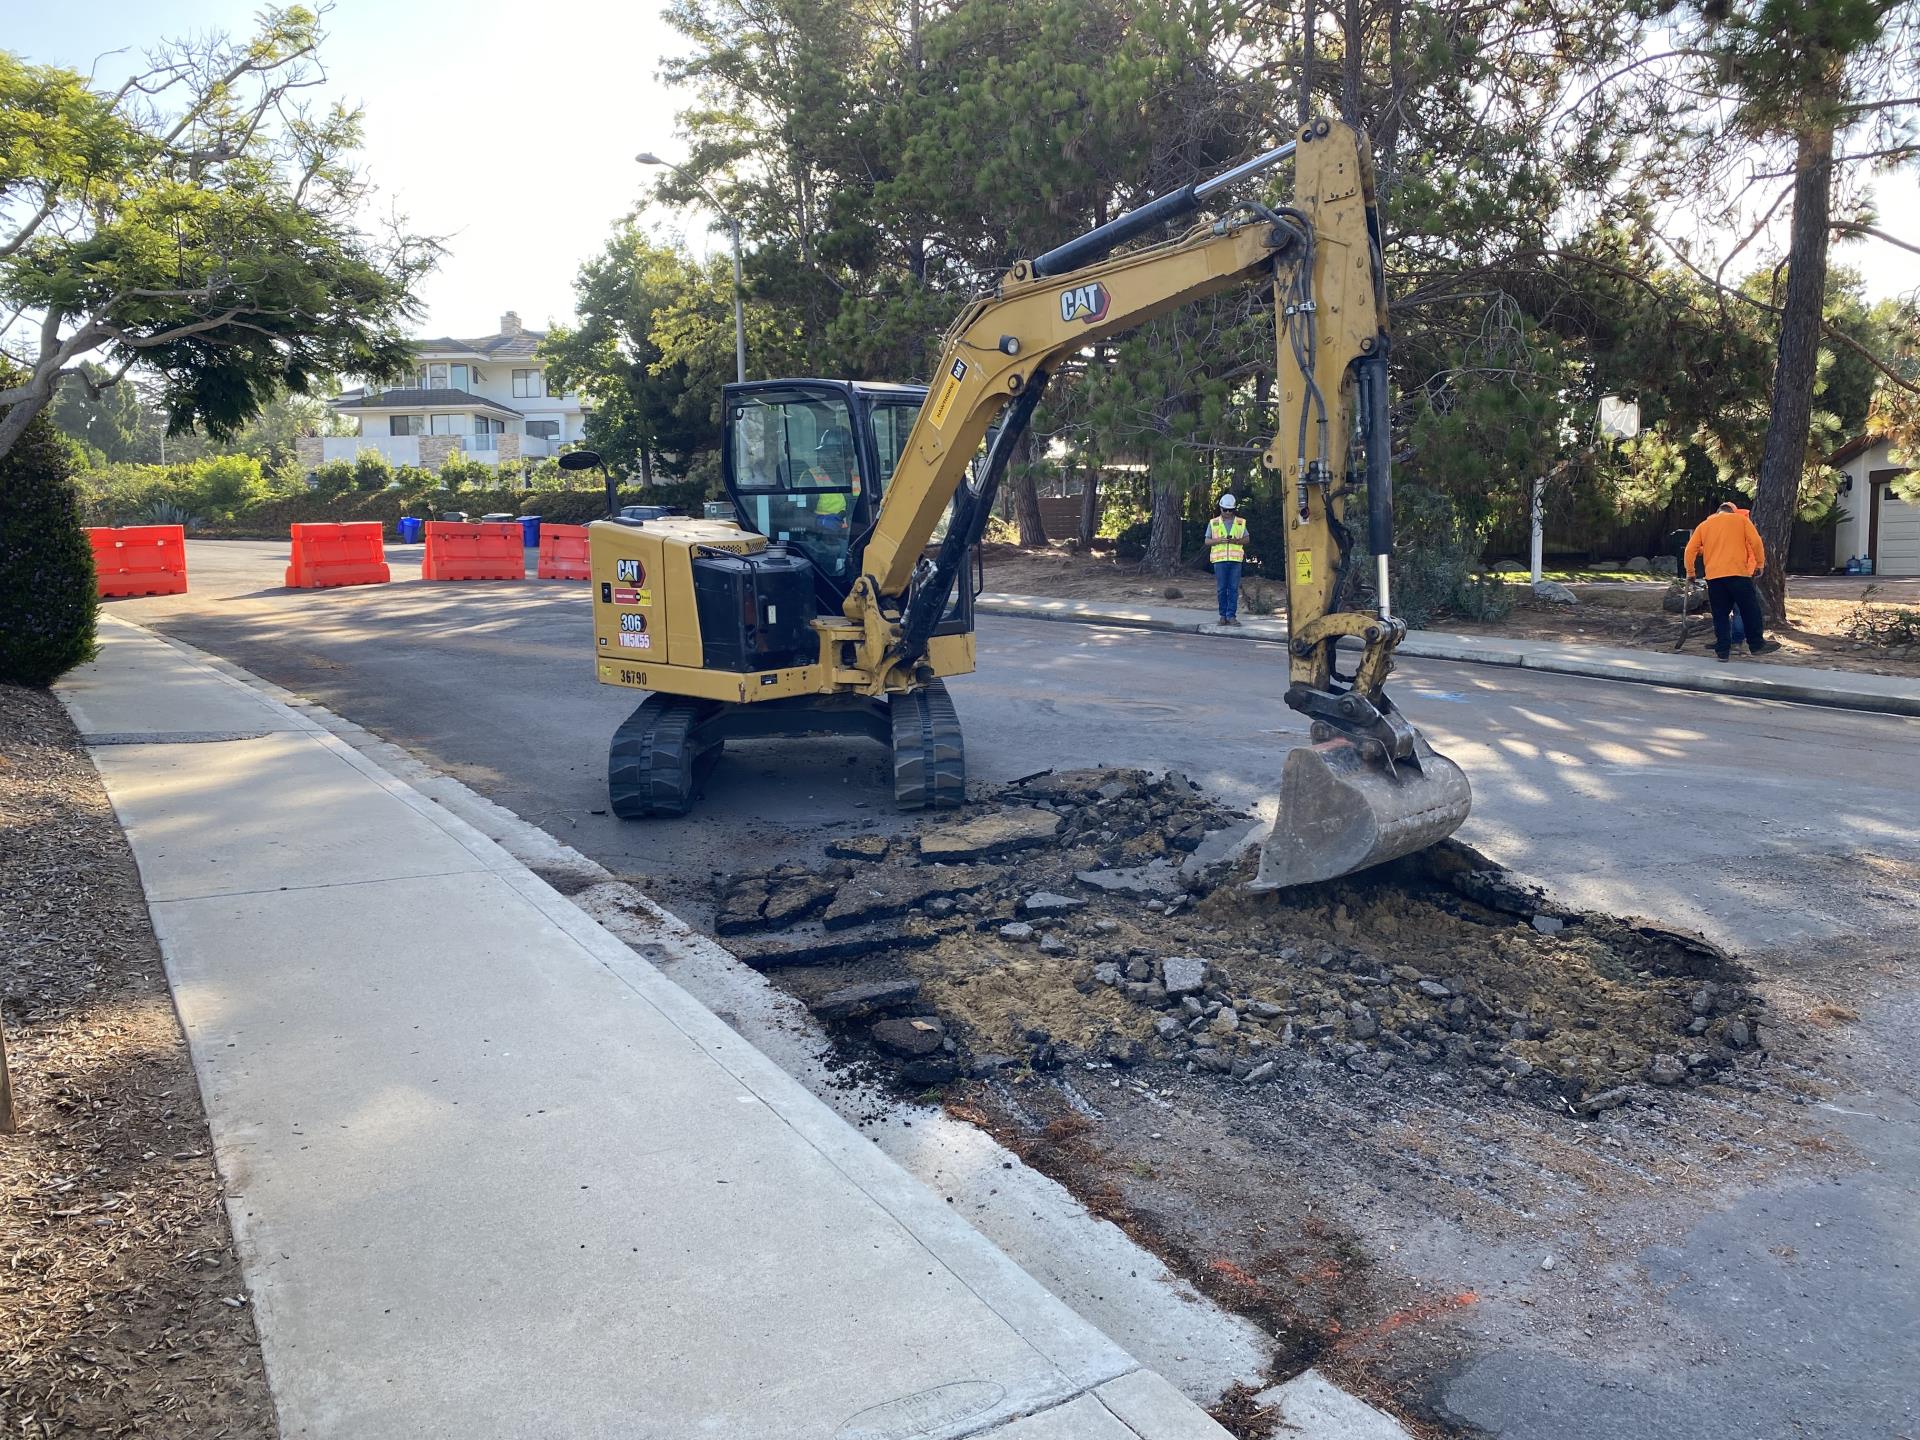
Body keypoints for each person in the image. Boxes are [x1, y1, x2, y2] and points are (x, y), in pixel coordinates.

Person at [1683, 501, 1781, 662]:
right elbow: (1756, 541)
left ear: (1717, 512)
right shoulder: (1741, 520)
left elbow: (1689, 550)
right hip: (1738, 574)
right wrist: (1760, 563)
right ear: (1733, 512)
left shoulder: (1704, 525)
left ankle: (1722, 650)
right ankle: (1756, 644)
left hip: (1714, 577)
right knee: (1750, 610)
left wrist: (1691, 572)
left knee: (1720, 614)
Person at [1206, 493, 1248, 626]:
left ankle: (1231, 616)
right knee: (1221, 589)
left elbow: (1247, 539)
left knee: (1233, 589)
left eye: (1230, 510)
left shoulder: (1240, 522)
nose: (1228, 513)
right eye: (1225, 510)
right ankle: (1222, 616)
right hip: (1220, 561)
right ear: (1221, 508)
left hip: (1235, 561)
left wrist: (1236, 541)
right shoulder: (1214, 523)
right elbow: (1207, 541)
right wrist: (1218, 540)